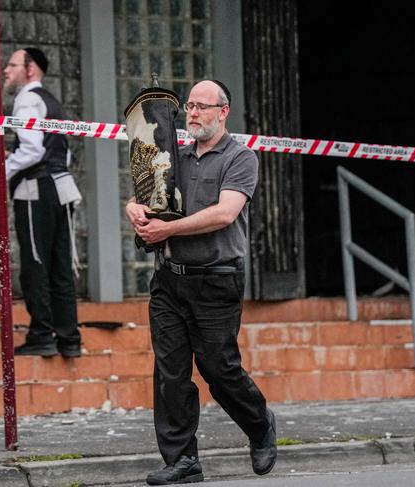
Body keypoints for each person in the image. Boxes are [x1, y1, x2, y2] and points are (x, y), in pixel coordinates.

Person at [125, 80, 277, 484]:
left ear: (223, 112)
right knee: (170, 371)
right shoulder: (176, 156)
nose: (191, 113)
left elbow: (224, 214)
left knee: (219, 369)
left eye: (201, 107)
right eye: (189, 106)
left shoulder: (240, 158)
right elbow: (151, 196)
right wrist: (135, 209)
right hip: (169, 281)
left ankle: (259, 423)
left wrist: (168, 232)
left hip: (217, 280)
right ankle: (182, 460)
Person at [0, 47, 81, 358]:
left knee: (36, 265)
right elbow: (62, 152)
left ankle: (42, 335)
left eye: (12, 65)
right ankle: (69, 338)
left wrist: (0, 173)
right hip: (62, 188)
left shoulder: (26, 98)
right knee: (61, 265)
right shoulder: (52, 101)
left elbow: (33, 149)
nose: (6, 70)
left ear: (31, 69)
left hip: (36, 190)